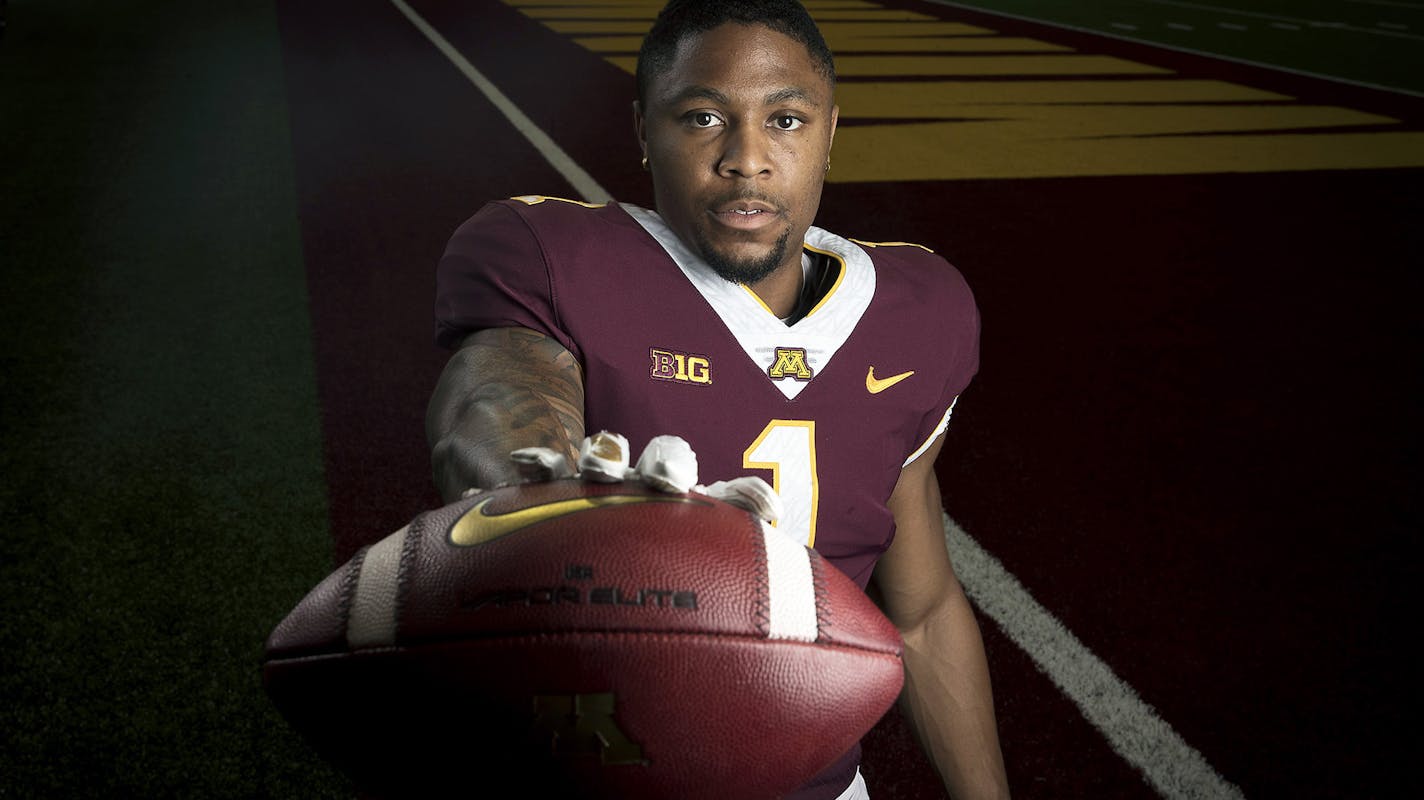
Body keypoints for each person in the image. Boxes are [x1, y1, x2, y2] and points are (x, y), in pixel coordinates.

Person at [425, 1, 1010, 797]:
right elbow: (496, 396)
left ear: (830, 135)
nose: (747, 158)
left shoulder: (920, 308)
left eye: (786, 120)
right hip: (601, 770)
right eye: (703, 117)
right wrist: (557, 499)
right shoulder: (548, 252)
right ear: (642, 131)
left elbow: (924, 610)